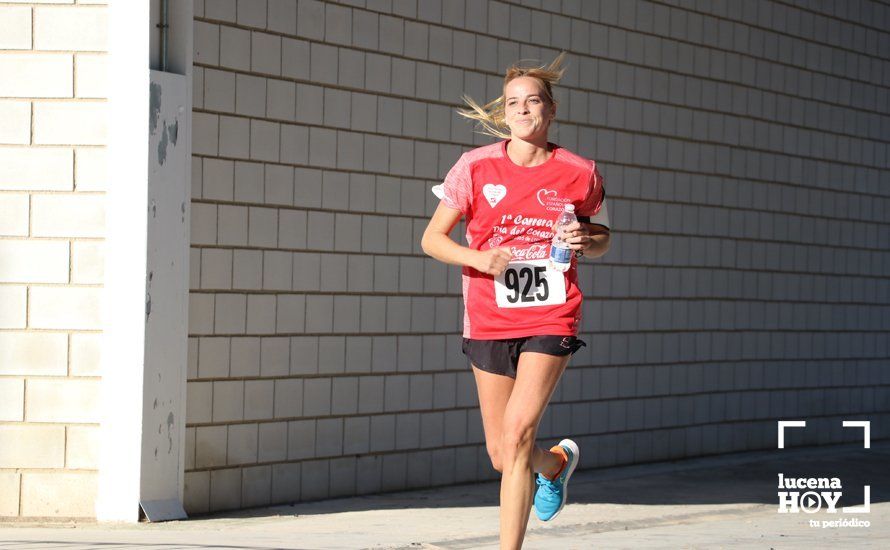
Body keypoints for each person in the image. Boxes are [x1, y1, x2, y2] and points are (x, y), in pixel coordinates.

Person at [421, 52, 611, 549]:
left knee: (520, 431)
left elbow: (603, 234)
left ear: (551, 110)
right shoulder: (475, 167)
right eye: (514, 103)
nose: (524, 110)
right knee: (505, 455)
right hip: (488, 314)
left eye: (534, 101)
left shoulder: (580, 172)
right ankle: (556, 464)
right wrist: (479, 260)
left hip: (552, 312)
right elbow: (432, 239)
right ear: (503, 114)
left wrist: (587, 240)